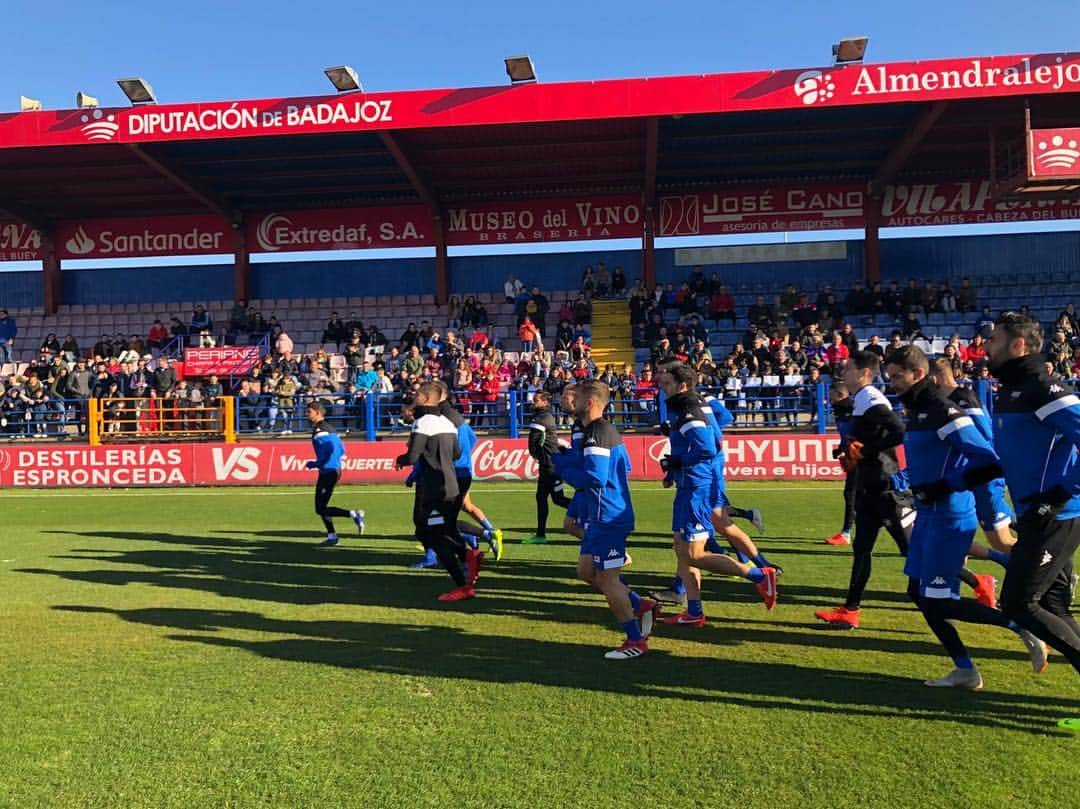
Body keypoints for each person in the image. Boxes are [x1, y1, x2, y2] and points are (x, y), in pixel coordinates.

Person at [885, 345, 1047, 688]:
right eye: (890, 377)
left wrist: (944, 487)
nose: (893, 383)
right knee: (918, 592)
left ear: (919, 374)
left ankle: (1020, 625)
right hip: (927, 515)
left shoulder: (945, 412)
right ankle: (965, 669)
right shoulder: (917, 412)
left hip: (950, 517)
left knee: (939, 601)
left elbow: (988, 461)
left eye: (898, 376)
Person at [986, 311, 1080, 679]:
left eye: (993, 340)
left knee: (1019, 603)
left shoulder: (1042, 388)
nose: (985, 347)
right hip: (1035, 515)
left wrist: (1060, 493)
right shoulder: (1011, 392)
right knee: (1053, 603)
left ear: (1018, 345)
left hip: (1057, 516)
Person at [656, 364, 778, 628]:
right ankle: (694, 611)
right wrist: (674, 468)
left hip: (695, 489)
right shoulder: (689, 407)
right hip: (689, 485)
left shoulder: (690, 411)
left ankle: (759, 575)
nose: (662, 389)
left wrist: (678, 462)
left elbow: (708, 448)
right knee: (682, 550)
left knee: (694, 553)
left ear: (682, 385)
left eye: (666, 384)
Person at [553, 380, 655, 659]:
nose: (569, 402)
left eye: (576, 398)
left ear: (590, 403)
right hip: (602, 514)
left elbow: (595, 478)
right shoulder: (600, 432)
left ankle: (636, 641)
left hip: (608, 516)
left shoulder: (598, 432)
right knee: (586, 573)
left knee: (608, 580)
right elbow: (623, 466)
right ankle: (641, 604)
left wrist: (561, 469)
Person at [814, 350, 914, 629]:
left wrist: (867, 450)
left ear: (863, 373)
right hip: (871, 489)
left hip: (887, 491)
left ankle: (976, 581)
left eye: (848, 368)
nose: (844, 373)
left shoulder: (870, 398)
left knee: (913, 554)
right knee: (861, 550)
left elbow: (899, 430)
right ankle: (850, 610)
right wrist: (850, 451)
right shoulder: (861, 399)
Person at [930, 358, 1016, 576]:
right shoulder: (944, 403)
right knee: (955, 536)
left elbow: (986, 440)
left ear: (936, 378)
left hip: (984, 480)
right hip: (966, 481)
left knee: (1002, 541)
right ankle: (955, 585)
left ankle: (1055, 574)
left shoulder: (964, 398)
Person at [397, 382, 481, 602]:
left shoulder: (421, 423)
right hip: (452, 485)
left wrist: (400, 460)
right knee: (439, 530)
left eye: (417, 394)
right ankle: (468, 557)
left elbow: (413, 456)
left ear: (425, 399)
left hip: (436, 488)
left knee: (433, 535)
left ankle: (463, 583)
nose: (414, 397)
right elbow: (455, 453)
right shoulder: (447, 423)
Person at [304, 401, 365, 546]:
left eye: (309, 412)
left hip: (329, 471)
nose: (307, 415)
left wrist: (318, 463)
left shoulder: (322, 430)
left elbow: (335, 448)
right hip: (329, 470)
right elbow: (342, 449)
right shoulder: (327, 428)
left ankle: (353, 515)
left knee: (320, 507)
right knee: (320, 507)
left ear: (317, 412)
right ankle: (332, 535)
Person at [525, 392, 573, 543]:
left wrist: (535, 454)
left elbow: (534, 443)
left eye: (536, 400)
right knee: (552, 499)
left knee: (548, 499)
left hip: (549, 467)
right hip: (551, 465)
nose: (533, 401)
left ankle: (588, 513)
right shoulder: (546, 417)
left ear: (545, 402)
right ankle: (540, 535)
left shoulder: (541, 418)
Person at [824, 383, 857, 546]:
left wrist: (850, 448)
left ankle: (846, 533)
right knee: (853, 495)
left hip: (861, 458)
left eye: (831, 396)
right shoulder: (840, 412)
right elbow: (847, 436)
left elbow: (858, 434)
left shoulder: (855, 410)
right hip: (852, 457)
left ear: (840, 395)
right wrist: (840, 449)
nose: (829, 400)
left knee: (851, 494)